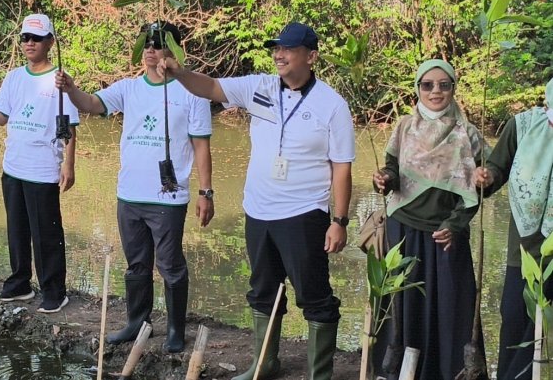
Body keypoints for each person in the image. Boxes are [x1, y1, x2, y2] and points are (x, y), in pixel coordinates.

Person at [158, 22, 353, 379]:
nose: (279, 54)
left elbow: (341, 167)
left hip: (304, 212)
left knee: (315, 297)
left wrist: (339, 221)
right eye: (276, 48)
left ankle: (318, 373)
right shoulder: (259, 87)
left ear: (311, 57)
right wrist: (179, 72)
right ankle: (263, 363)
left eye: (288, 49)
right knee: (263, 290)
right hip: (259, 210)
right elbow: (211, 87)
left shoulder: (332, 105)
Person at [55, 21, 214, 353]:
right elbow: (92, 104)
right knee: (136, 264)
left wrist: (205, 192)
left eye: (158, 44)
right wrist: (70, 89)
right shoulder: (128, 89)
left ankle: (174, 328)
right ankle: (137, 322)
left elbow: (201, 146)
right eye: (146, 45)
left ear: (174, 50)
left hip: (168, 198)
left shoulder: (192, 92)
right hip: (129, 195)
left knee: (170, 265)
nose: (151, 51)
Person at [371, 59, 486, 379]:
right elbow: (392, 172)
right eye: (427, 85)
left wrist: (456, 225)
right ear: (417, 89)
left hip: (447, 233)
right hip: (403, 227)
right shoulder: (404, 127)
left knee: (452, 309)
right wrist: (383, 179)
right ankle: (396, 372)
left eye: (444, 84)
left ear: (453, 88)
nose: (436, 91)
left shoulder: (469, 134)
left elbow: (480, 188)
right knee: (402, 306)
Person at [0, 13, 78, 313]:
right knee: (17, 229)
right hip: (14, 166)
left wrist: (68, 165)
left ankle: (54, 290)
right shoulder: (14, 77)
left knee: (46, 232)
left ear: (50, 42)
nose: (29, 43)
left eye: (36, 38)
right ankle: (20, 283)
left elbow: (69, 128)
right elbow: (2, 117)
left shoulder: (60, 80)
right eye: (25, 38)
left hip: (42, 168)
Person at [475, 78, 553, 380]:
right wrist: (486, 177)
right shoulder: (522, 126)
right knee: (516, 321)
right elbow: (497, 169)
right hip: (525, 251)